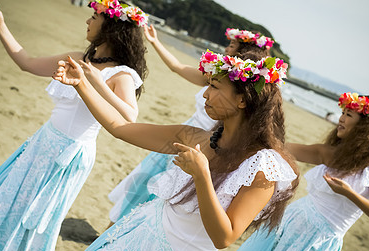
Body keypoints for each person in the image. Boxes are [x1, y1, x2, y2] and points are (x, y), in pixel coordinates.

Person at [48, 50, 298, 251]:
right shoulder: (195, 137)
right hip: (137, 239)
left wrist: (202, 176)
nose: (205, 94)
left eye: (214, 86)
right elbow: (120, 127)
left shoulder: (264, 168)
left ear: (242, 100)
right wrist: (81, 84)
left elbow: (225, 237)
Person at [0, 1, 147, 251]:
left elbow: (129, 117)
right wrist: (0, 26)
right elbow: (27, 62)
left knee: (41, 216)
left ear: (111, 26)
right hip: (43, 142)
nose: (88, 20)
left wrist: (95, 80)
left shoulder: (121, 74)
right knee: (8, 198)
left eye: (94, 16)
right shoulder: (77, 57)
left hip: (70, 154)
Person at [204, 92, 369, 251]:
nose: (341, 118)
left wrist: (350, 194)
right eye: (342, 112)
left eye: (349, 115)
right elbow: (282, 148)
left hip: (315, 241)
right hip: (291, 221)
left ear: (367, 127)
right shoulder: (331, 153)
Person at [108, 26, 275, 226]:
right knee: (141, 185)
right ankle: (113, 231)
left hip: (204, 144)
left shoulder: (238, 93)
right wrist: (155, 41)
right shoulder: (215, 77)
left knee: (161, 196)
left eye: (231, 45)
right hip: (186, 133)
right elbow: (177, 66)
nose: (226, 49)